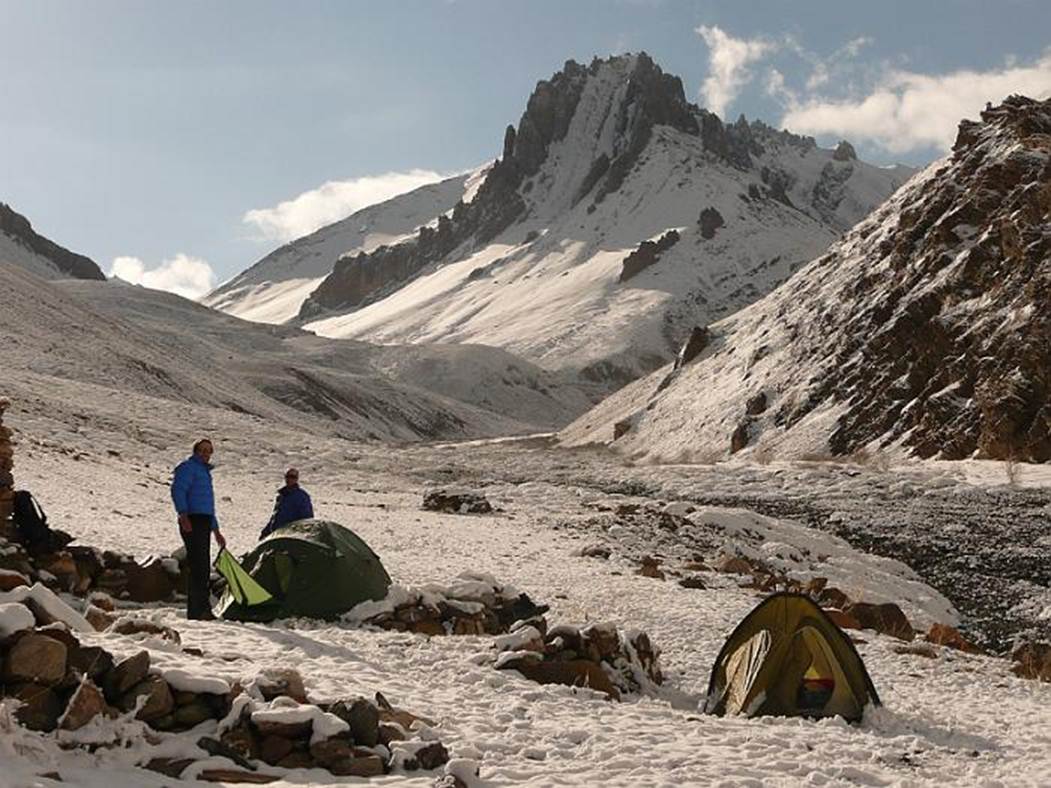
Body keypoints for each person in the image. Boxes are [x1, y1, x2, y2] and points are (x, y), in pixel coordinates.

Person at [171, 438, 226, 620]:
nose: (206, 453)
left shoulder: (204, 472)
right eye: (202, 450)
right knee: (198, 566)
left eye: (209, 451)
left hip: (203, 520)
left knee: (202, 566)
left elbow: (207, 506)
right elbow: (178, 490)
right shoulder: (188, 467)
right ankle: (197, 612)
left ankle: (201, 609)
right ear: (195, 451)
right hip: (192, 519)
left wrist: (216, 530)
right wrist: (183, 514)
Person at [259, 468, 314, 539]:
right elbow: (276, 516)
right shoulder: (282, 495)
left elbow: (307, 519)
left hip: (290, 535)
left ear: (296, 479)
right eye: (288, 476)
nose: (290, 479)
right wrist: (266, 531)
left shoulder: (302, 497)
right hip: (276, 534)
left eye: (293, 477)